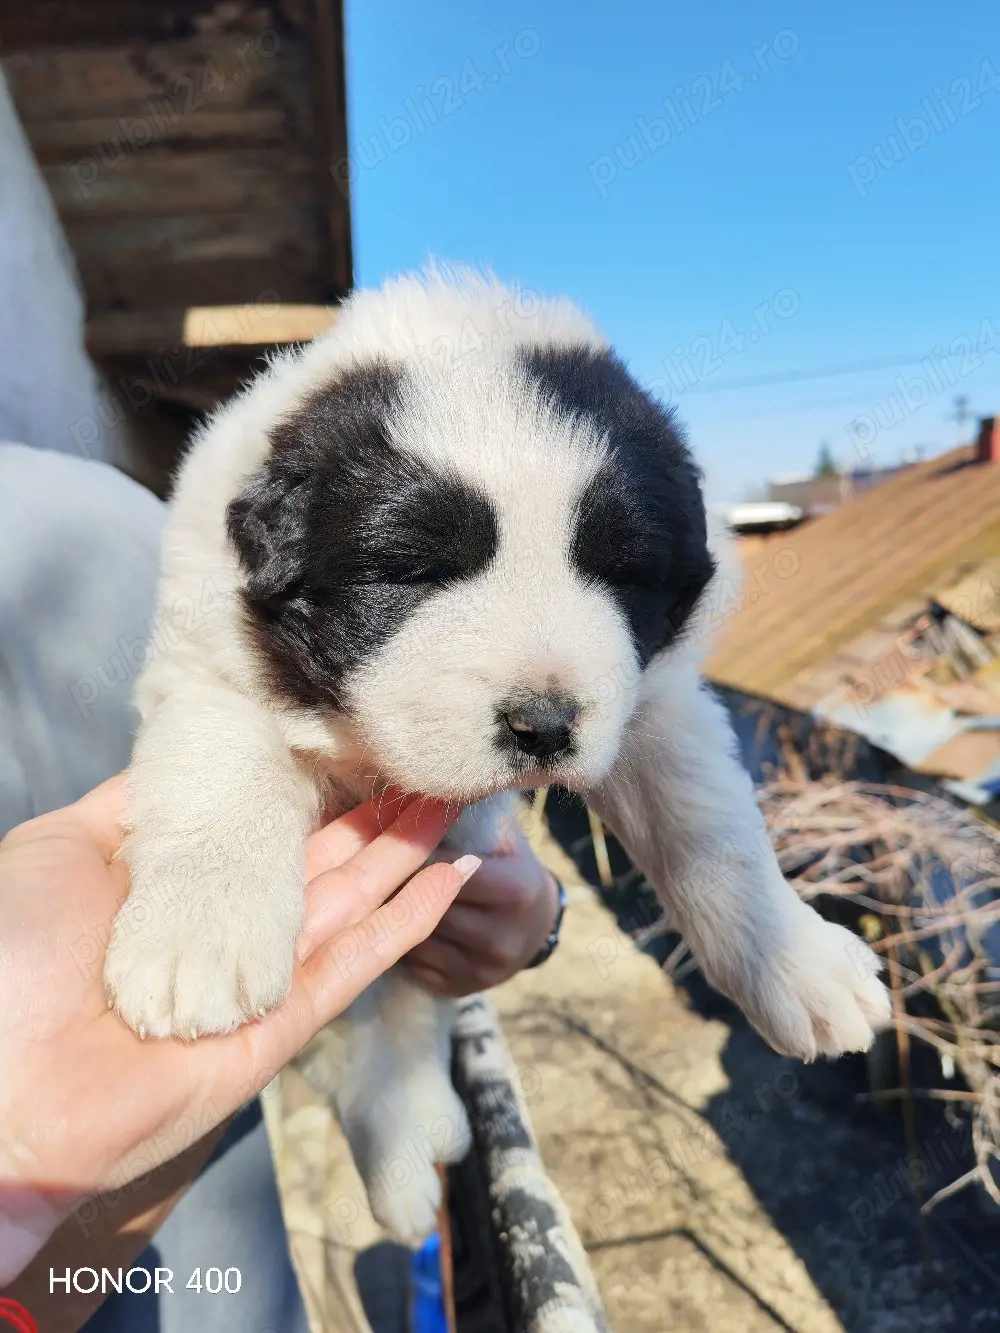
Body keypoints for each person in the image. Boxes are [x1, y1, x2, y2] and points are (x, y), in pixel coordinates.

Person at [0, 443, 562, 1331]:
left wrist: (523, 896)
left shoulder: (120, 522)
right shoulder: (117, 508)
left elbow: (380, 729)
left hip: (208, 1229)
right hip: (185, 1222)